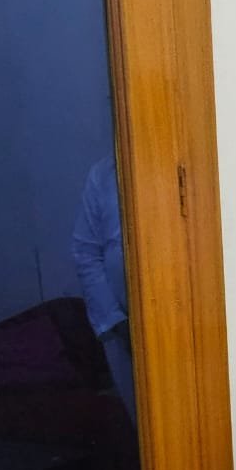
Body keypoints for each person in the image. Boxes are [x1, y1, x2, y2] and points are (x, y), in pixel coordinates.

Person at [71, 155, 135, 425]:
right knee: (143, 426)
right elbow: (86, 253)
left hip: (181, 323)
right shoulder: (103, 174)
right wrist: (117, 322)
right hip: (121, 330)